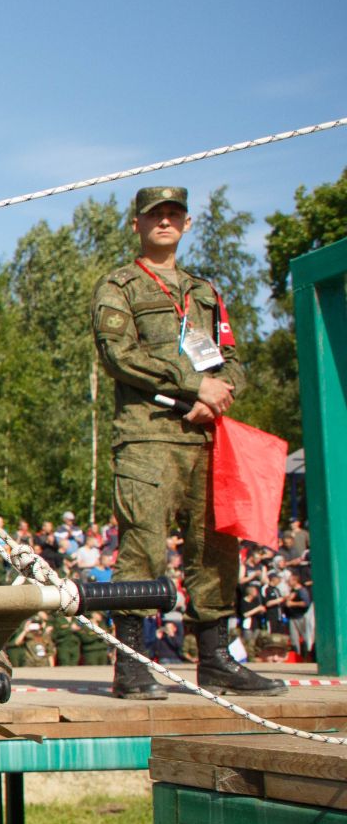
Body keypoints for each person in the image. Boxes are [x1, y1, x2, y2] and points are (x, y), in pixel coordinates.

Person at [91, 186, 283, 699]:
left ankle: (217, 660)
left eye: (174, 214)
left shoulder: (204, 292)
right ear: (137, 224)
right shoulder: (120, 286)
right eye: (155, 215)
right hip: (147, 436)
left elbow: (231, 359)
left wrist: (220, 396)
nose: (165, 222)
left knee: (216, 546)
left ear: (187, 223)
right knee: (143, 546)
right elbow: (119, 355)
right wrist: (194, 383)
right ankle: (132, 665)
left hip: (204, 435)